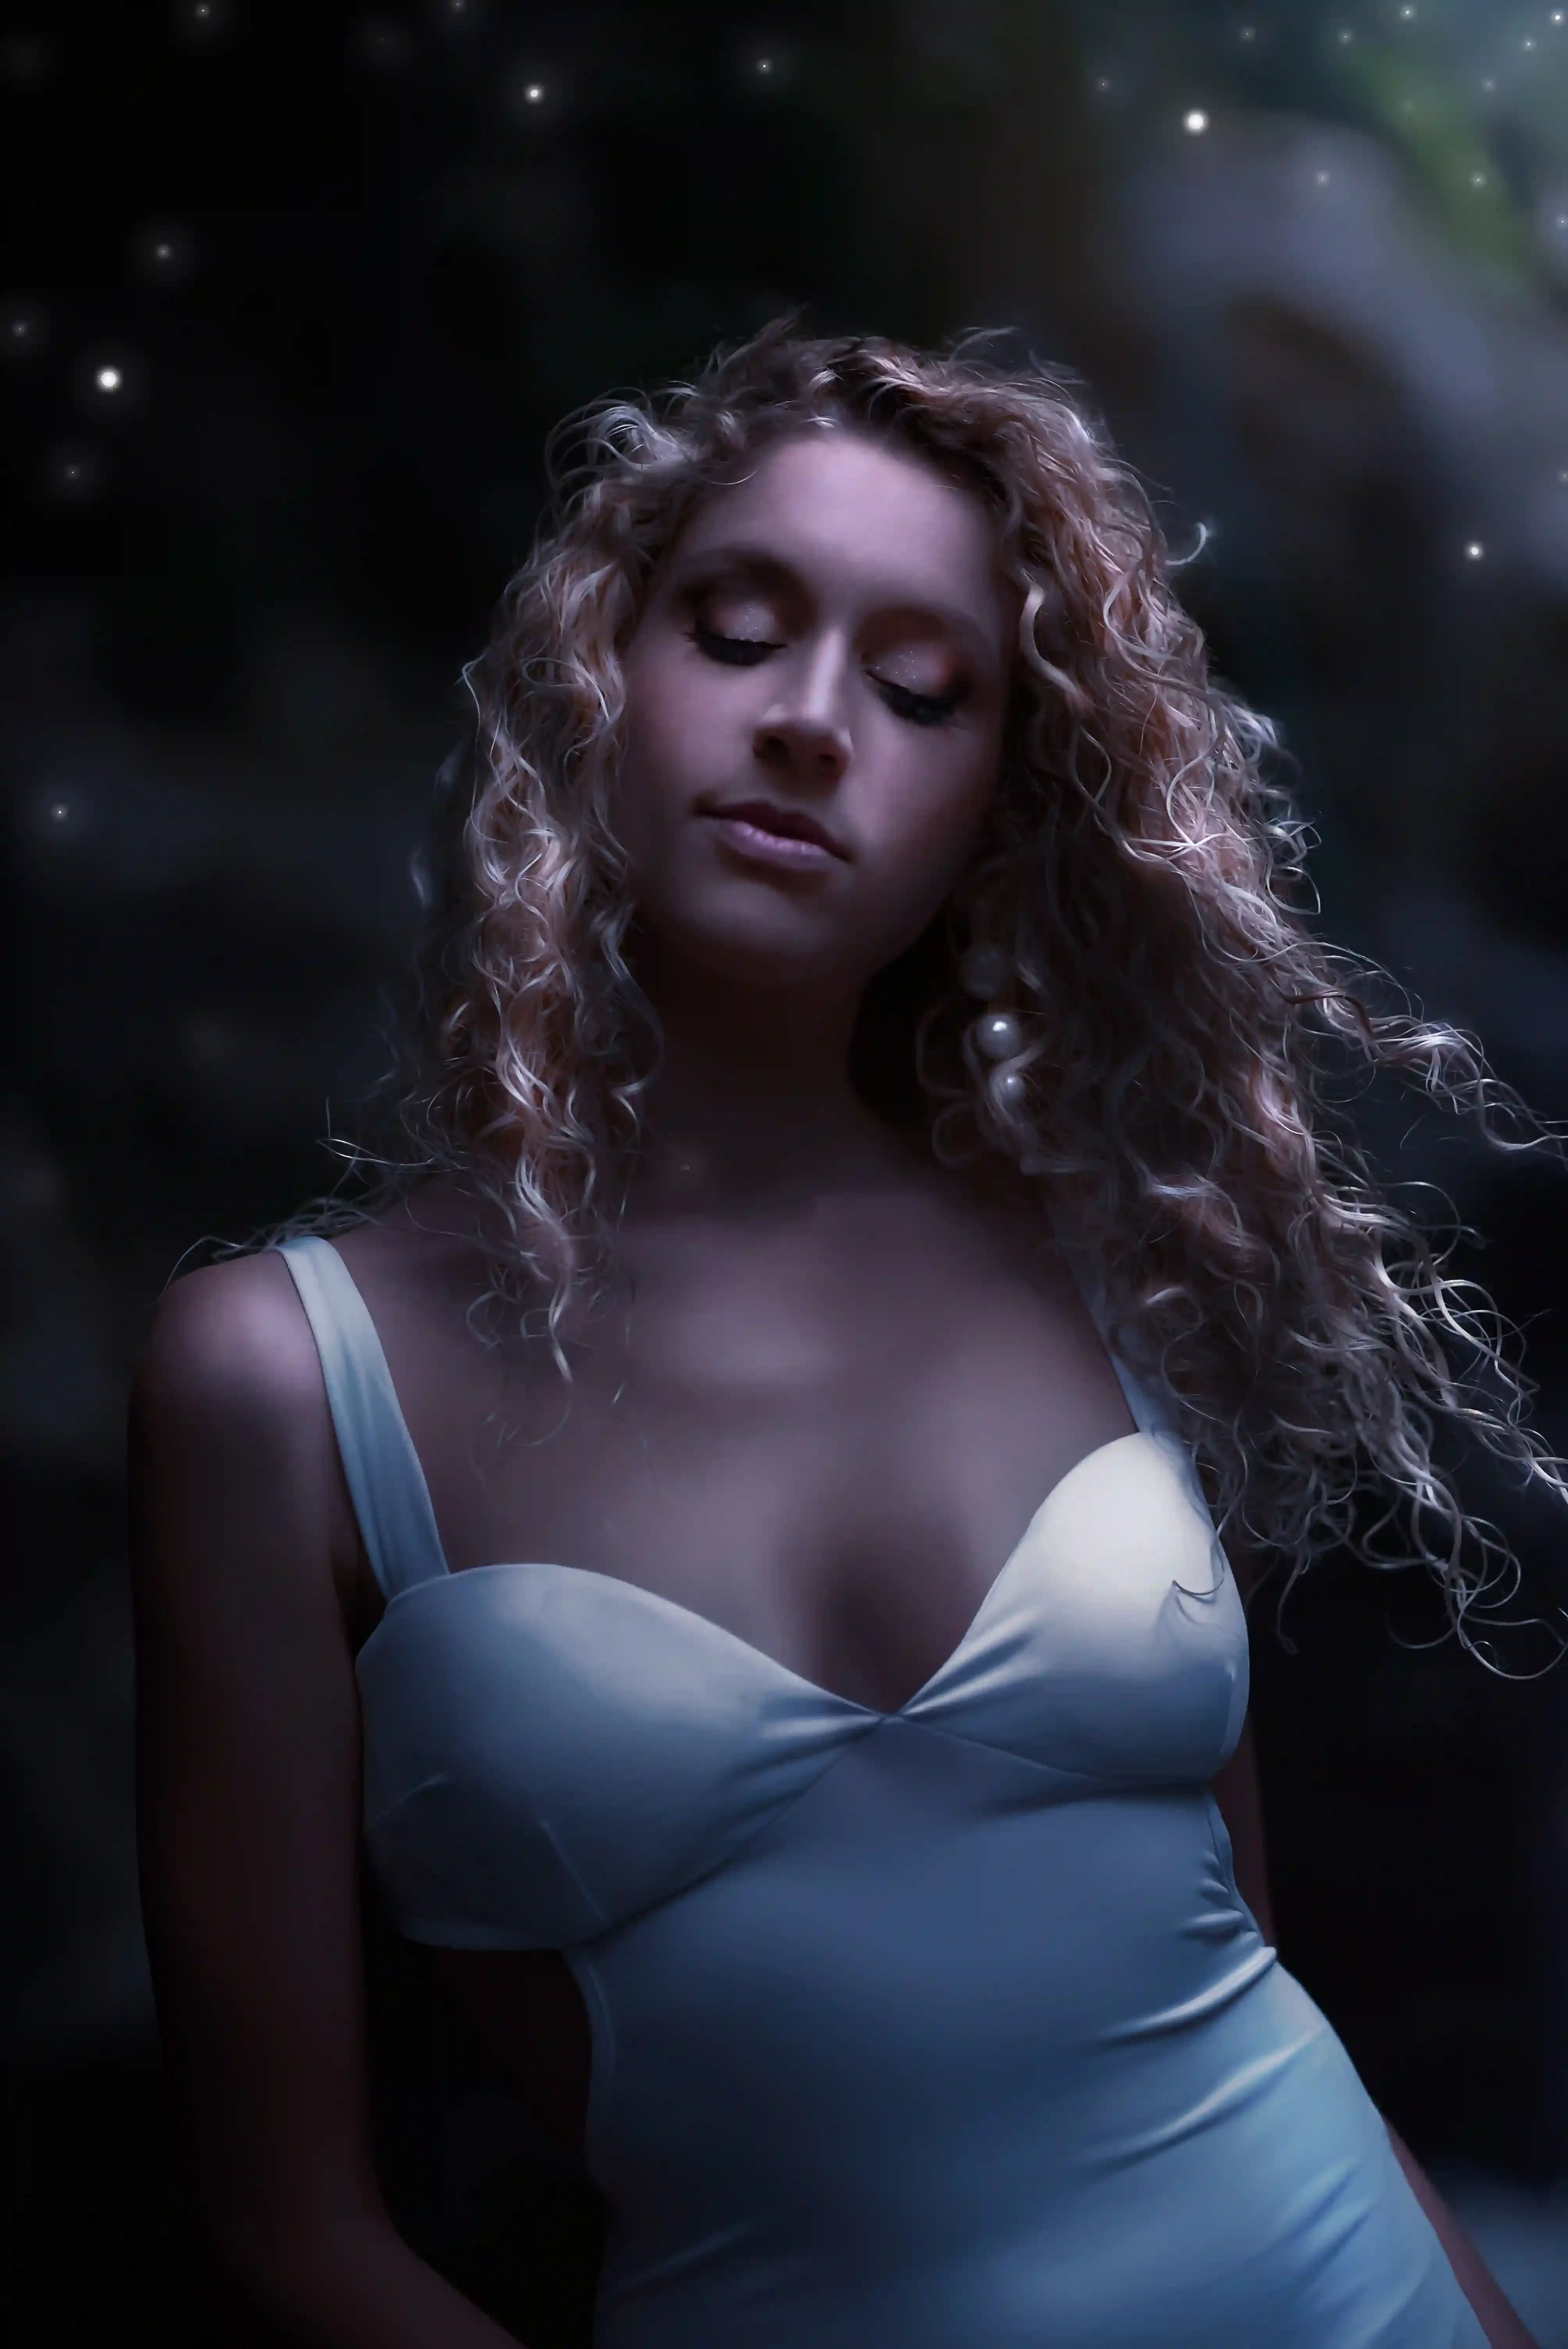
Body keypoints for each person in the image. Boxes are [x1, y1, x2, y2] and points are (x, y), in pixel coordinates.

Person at [128, 317, 1558, 2347]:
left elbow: (1236, 1962)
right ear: (595, 682)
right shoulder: (281, 1379)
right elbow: (290, 2235)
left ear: (996, 806)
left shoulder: (1088, 1262)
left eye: (919, 688)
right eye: (735, 628)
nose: (814, 724)